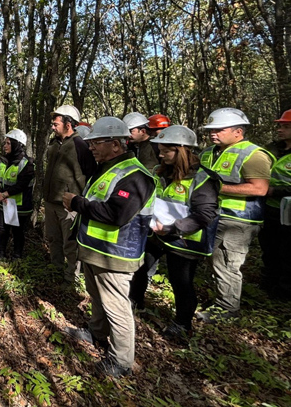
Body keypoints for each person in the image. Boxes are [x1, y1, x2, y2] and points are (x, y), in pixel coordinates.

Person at [62, 117, 156, 378]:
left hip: (116, 255)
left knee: (117, 307)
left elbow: (117, 213)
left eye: (96, 143)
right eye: (90, 142)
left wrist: (77, 203)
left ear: (115, 144)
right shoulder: (106, 168)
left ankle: (122, 360)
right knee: (97, 297)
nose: (91, 147)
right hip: (95, 250)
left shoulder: (136, 176)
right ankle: (96, 332)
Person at [139, 126, 220, 339]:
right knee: (139, 269)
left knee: (181, 283)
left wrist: (173, 228)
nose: (161, 154)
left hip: (185, 241)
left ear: (182, 150)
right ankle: (135, 304)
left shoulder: (202, 178)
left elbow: (205, 214)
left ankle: (182, 324)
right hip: (156, 234)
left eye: (166, 151)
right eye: (160, 150)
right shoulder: (160, 171)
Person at [199, 108, 272, 321]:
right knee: (215, 260)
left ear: (238, 131)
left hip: (238, 219)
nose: (213, 133)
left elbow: (259, 189)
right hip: (212, 214)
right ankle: (221, 299)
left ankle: (227, 309)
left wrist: (216, 189)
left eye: (219, 129)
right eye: (211, 129)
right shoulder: (208, 152)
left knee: (227, 263)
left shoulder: (253, 155)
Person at [43, 105, 96, 282]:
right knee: (53, 239)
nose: (53, 127)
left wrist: (79, 199)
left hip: (69, 205)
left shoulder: (80, 145)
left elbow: (91, 174)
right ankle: (55, 270)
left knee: (70, 244)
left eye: (56, 123)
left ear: (68, 124)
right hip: (51, 202)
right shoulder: (53, 144)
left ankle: (71, 277)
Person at [259, 109, 291, 300]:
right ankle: (269, 283)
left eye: (286, 126)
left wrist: (277, 191)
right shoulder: (272, 149)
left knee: (289, 250)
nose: (281, 130)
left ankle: (286, 291)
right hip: (270, 209)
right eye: (280, 126)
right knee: (269, 246)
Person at [0, 129, 35, 261]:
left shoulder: (27, 164)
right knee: (2, 229)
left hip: (20, 205)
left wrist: (6, 193)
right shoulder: (3, 161)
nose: (5, 146)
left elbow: (22, 184)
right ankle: (0, 253)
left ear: (17, 144)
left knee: (18, 232)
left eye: (9, 143)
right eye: (5, 143)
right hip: (5, 204)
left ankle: (17, 256)